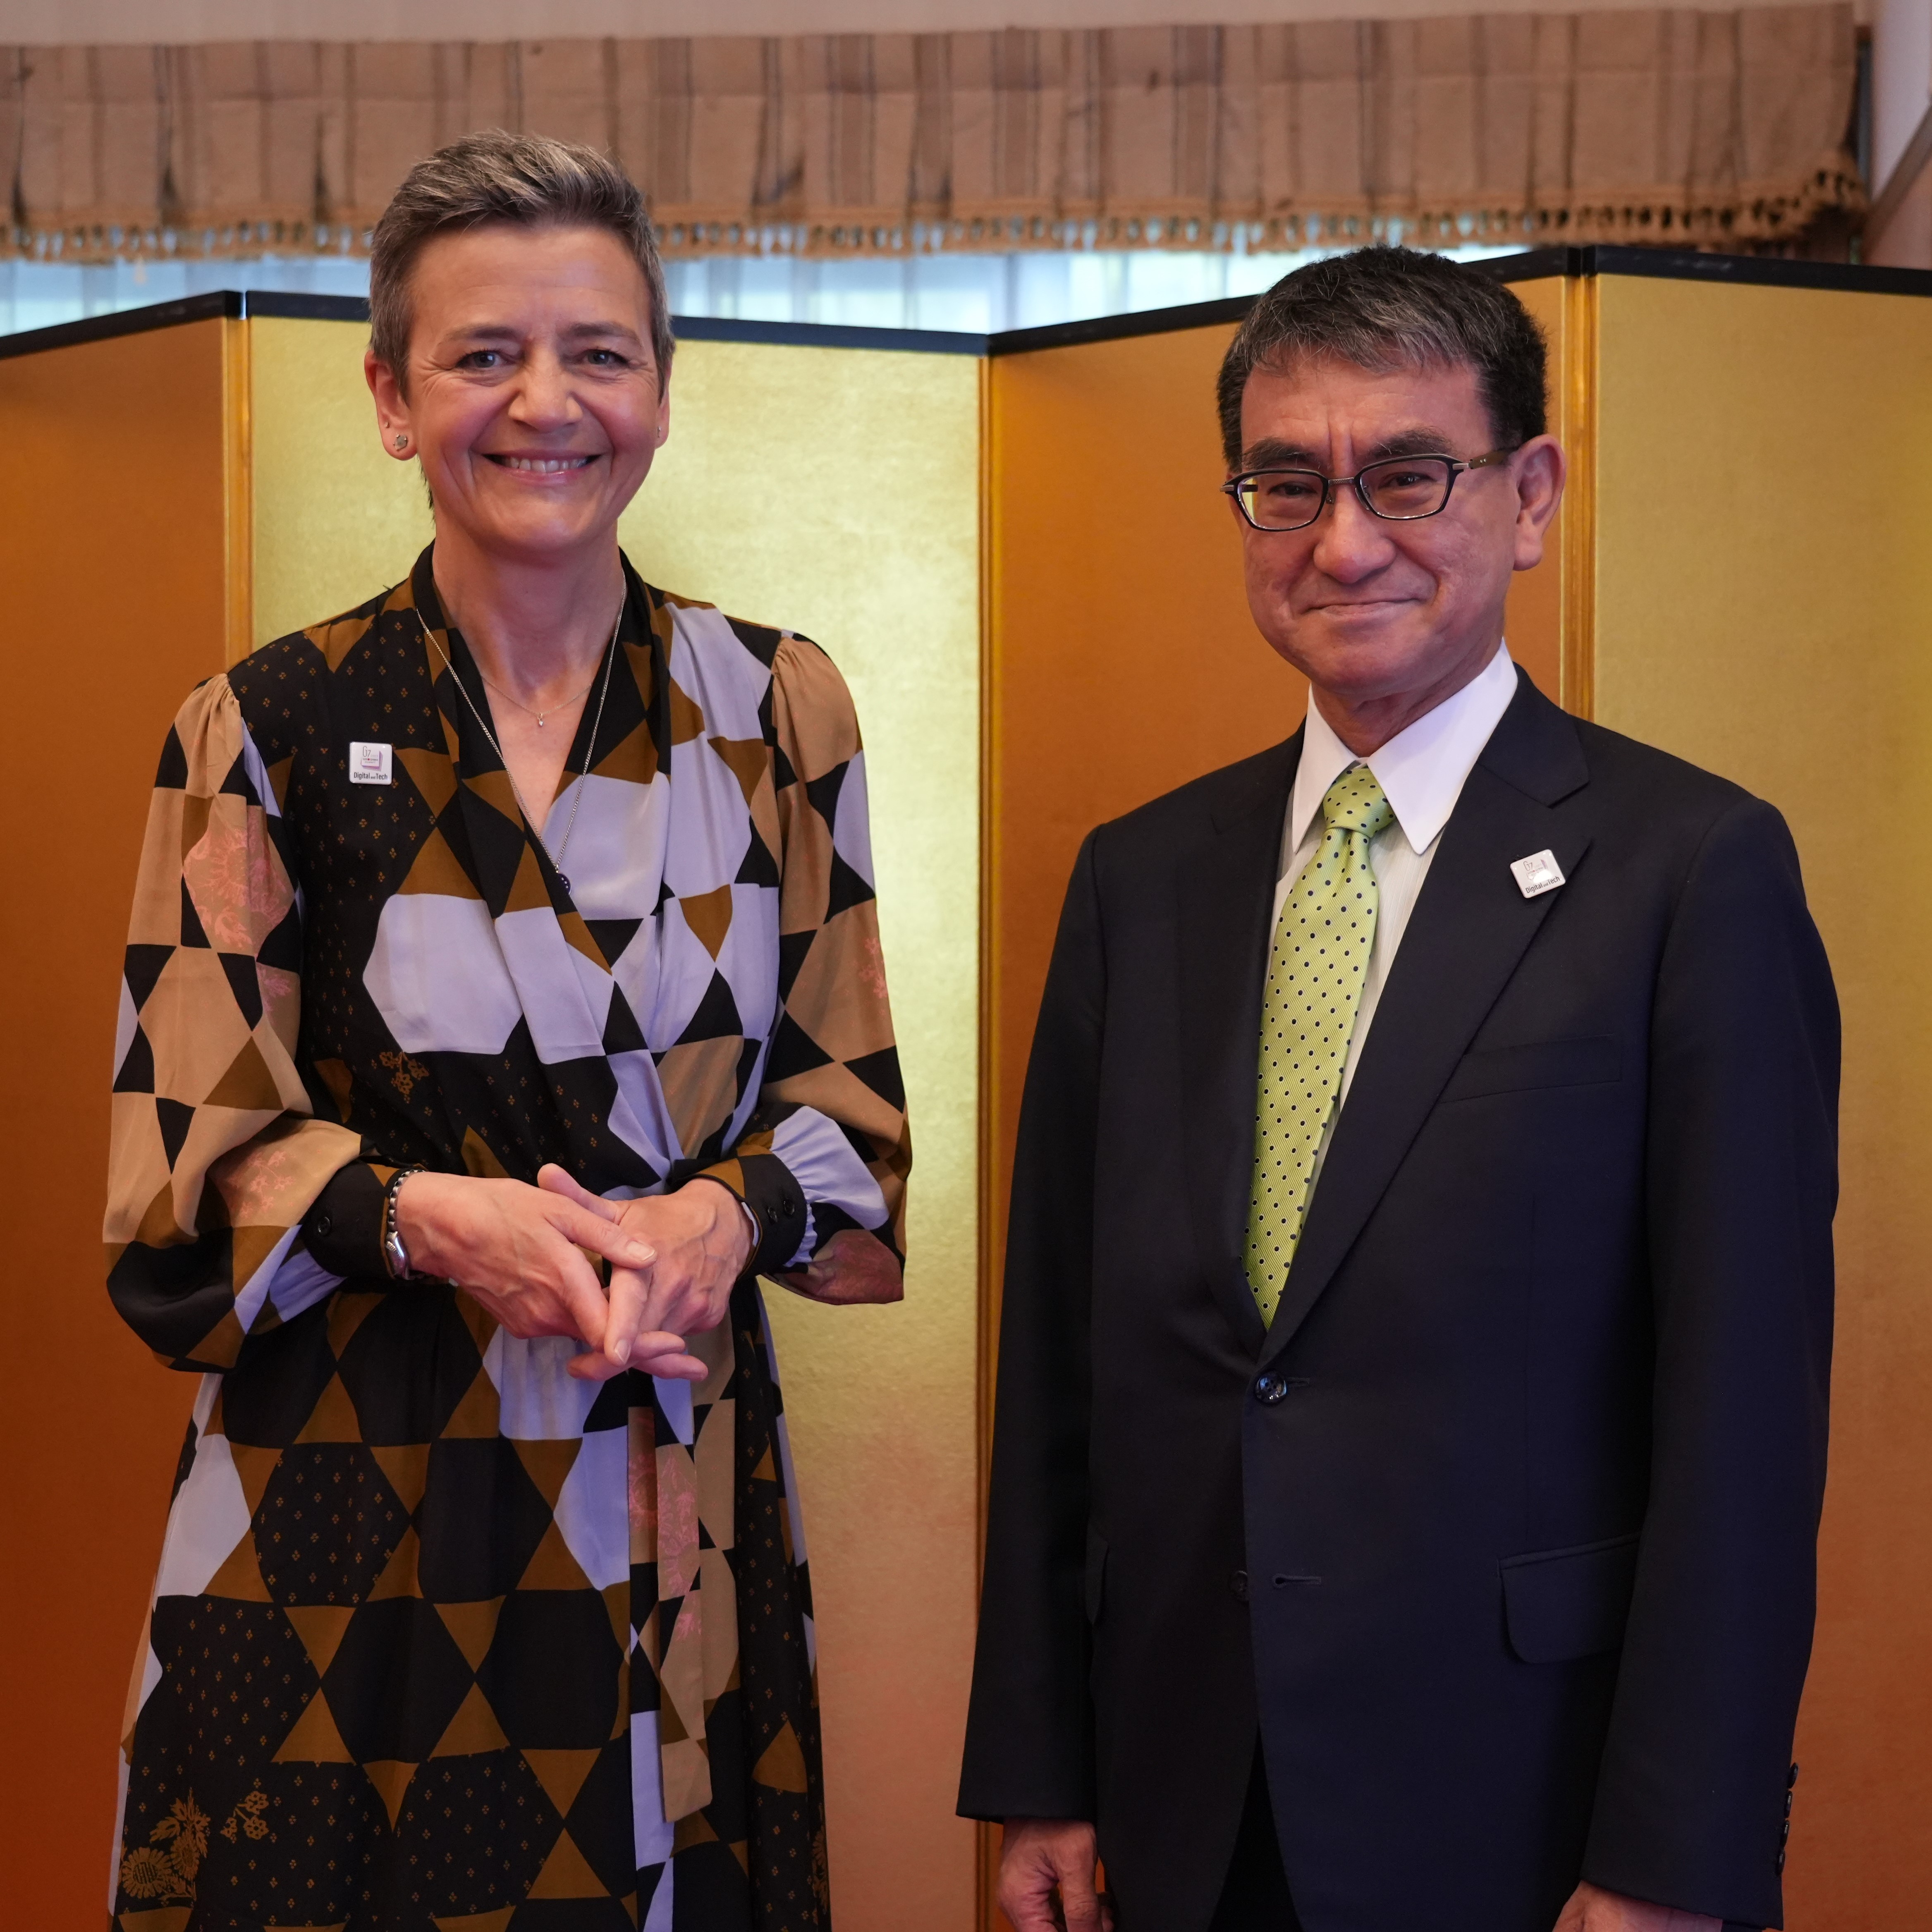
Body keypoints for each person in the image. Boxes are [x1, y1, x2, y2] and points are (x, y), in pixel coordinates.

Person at [958, 247, 1836, 1932]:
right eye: (1286, 482)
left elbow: (1743, 1428)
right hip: (1180, 1796)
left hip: (1526, 1804)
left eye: (1407, 474)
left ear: (1528, 495)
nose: (1343, 539)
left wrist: (1672, 1859)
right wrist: (1039, 1769)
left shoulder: (1689, 871)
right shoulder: (1141, 879)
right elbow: (1060, 1366)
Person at [105, 129, 908, 1930]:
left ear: (661, 394)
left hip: (665, 1489)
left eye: (598, 353)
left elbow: (845, 1117)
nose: (546, 402)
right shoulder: (269, 725)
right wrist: (421, 1218)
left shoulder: (775, 710)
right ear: (392, 398)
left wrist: (724, 1216)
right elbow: (181, 1178)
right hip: (346, 1494)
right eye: (482, 355)